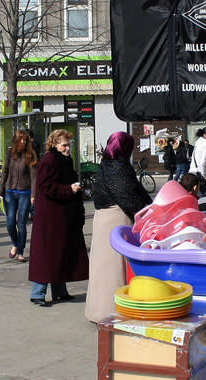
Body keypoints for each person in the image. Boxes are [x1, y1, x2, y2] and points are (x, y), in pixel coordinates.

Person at [85, 131, 152, 323]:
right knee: (112, 267)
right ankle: (109, 311)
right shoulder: (118, 165)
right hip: (115, 219)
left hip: (104, 218)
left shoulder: (106, 163)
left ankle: (98, 310)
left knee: (102, 267)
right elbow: (127, 196)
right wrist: (146, 213)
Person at [28, 129, 89, 307]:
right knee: (48, 255)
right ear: (54, 144)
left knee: (59, 253)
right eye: (64, 145)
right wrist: (69, 189)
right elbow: (46, 187)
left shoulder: (62, 160)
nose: (67, 148)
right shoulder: (49, 160)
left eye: (68, 145)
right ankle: (38, 293)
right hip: (50, 217)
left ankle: (60, 291)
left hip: (60, 215)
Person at [0, 130, 37, 263]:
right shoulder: (10, 153)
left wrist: (33, 195)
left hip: (25, 192)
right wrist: (0, 189)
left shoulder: (30, 154)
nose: (23, 142)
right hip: (10, 191)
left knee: (21, 223)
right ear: (16, 140)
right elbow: (5, 172)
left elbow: (33, 176)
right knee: (9, 222)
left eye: (25, 140)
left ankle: (20, 251)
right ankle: (15, 243)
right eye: (21, 139)